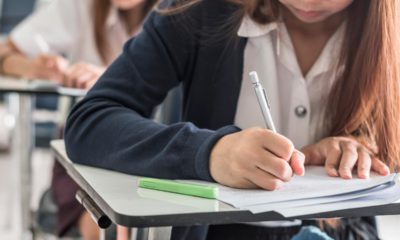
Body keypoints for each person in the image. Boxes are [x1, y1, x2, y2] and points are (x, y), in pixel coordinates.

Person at [64, 0, 400, 239]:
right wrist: (210, 153)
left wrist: (362, 143)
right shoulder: (199, 11)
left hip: (343, 231)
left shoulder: (389, 31)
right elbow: (91, 121)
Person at [0, 0, 157, 239]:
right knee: (107, 225)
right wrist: (39, 69)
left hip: (153, 145)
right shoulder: (81, 6)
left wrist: (113, 78)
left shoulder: (181, 12)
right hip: (87, 145)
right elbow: (5, 53)